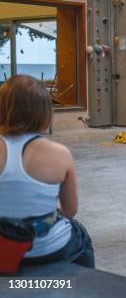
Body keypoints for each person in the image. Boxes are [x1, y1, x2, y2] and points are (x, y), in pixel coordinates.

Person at [0, 75, 94, 268]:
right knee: (81, 236)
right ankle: (82, 286)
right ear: (44, 113)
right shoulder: (60, 154)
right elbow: (70, 211)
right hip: (48, 249)